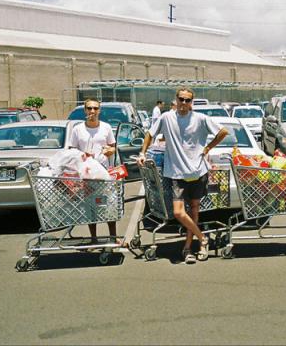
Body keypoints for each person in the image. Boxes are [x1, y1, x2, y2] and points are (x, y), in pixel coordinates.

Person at [137, 87, 229, 264]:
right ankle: (202, 238)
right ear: (176, 99)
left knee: (194, 210)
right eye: (181, 99)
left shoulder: (200, 118)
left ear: (191, 102)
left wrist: (208, 148)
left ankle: (188, 248)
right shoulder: (166, 118)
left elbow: (223, 132)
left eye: (187, 100)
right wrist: (142, 153)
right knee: (179, 212)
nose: (184, 103)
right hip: (176, 173)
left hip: (198, 171)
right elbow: (149, 134)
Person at [69, 98, 120, 244]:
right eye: (90, 108)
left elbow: (113, 146)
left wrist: (110, 151)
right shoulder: (78, 129)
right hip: (86, 173)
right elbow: (72, 149)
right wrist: (82, 155)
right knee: (90, 206)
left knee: (109, 204)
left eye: (95, 108)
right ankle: (93, 238)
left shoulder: (106, 127)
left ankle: (113, 237)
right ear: (85, 110)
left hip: (104, 172)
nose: (92, 111)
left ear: (99, 110)